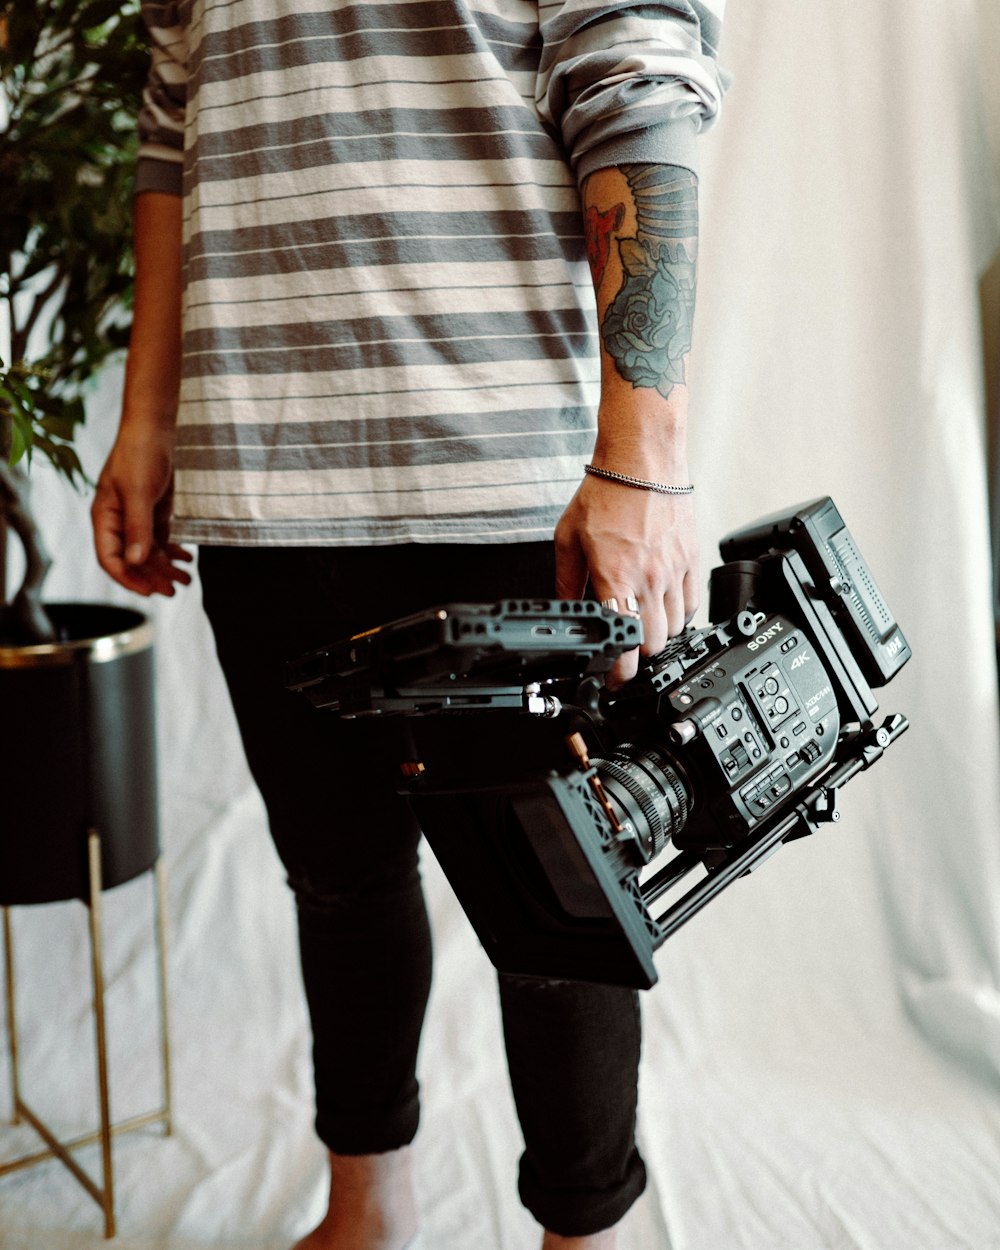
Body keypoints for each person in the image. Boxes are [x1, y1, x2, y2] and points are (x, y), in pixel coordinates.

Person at [92, 3, 727, 1247]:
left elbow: (637, 81)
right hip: (260, 480)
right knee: (337, 881)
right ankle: (365, 1209)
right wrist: (148, 415)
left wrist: (644, 464)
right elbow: (176, 128)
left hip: (503, 490)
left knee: (559, 913)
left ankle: (582, 1234)